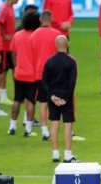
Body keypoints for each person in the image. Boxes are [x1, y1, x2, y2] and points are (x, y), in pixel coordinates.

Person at [42, 35, 78, 163]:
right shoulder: (71, 62)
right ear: (67, 45)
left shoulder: (49, 61)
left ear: (55, 45)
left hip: (53, 98)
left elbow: (44, 82)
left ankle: (55, 153)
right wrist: (65, 99)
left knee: (54, 124)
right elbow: (72, 82)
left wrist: (52, 97)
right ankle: (68, 155)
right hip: (66, 98)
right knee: (68, 125)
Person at [8, 10, 41, 137]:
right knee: (31, 101)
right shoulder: (36, 36)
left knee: (17, 100)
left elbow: (13, 53)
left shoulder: (17, 35)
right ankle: (28, 129)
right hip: (32, 75)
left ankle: (12, 126)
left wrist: (17, 67)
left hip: (19, 74)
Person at [30, 10, 61, 141]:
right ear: (51, 19)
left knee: (42, 102)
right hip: (55, 73)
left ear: (40, 20)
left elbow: (32, 54)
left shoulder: (33, 35)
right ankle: (54, 129)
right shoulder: (57, 35)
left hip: (39, 73)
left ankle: (44, 130)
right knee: (54, 102)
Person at [0, 0, 18, 106]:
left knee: (14, 70)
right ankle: (3, 96)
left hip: (11, 46)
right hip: (5, 47)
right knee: (4, 72)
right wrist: (4, 36)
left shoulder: (10, 8)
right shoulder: (5, 8)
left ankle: (17, 95)